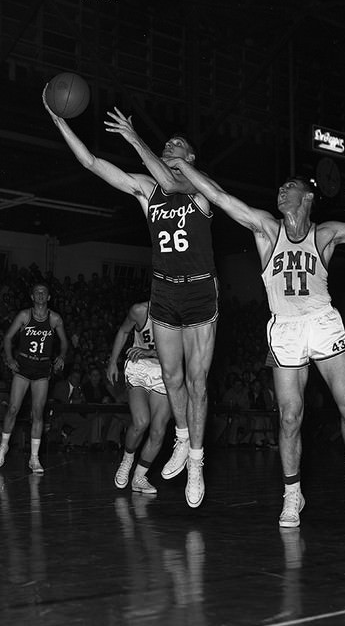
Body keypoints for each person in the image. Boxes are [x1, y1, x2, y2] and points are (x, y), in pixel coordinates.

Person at [170, 149, 345, 527]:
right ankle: (292, 495)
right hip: (285, 327)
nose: (281, 191)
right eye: (280, 187)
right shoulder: (266, 228)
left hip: (322, 320)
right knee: (290, 416)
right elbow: (219, 197)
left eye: (289, 186)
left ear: (308, 197)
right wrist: (186, 167)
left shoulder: (325, 234)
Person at [45, 95, 217, 509]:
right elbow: (91, 163)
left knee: (197, 381)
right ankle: (182, 441)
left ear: (190, 156)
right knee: (173, 379)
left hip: (198, 290)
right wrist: (59, 121)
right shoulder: (147, 191)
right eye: (167, 145)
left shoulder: (197, 186)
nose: (170, 147)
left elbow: (174, 181)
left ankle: (196, 463)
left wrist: (135, 137)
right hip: (165, 290)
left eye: (177, 144)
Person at [0, 282, 68, 474]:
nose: (41, 295)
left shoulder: (55, 318)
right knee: (13, 408)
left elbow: (65, 343)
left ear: (49, 297)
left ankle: (34, 458)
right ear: (32, 297)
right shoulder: (25, 315)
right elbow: (8, 337)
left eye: (44, 292)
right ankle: (3, 447)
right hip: (23, 366)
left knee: (38, 412)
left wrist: (61, 356)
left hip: (42, 368)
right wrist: (9, 359)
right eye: (37, 293)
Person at [107, 301, 171, 495]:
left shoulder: (179, 315)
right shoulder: (139, 310)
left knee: (158, 431)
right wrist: (112, 362)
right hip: (140, 368)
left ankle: (139, 477)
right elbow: (123, 331)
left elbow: (183, 350)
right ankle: (127, 459)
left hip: (165, 371)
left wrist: (151, 352)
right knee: (141, 422)